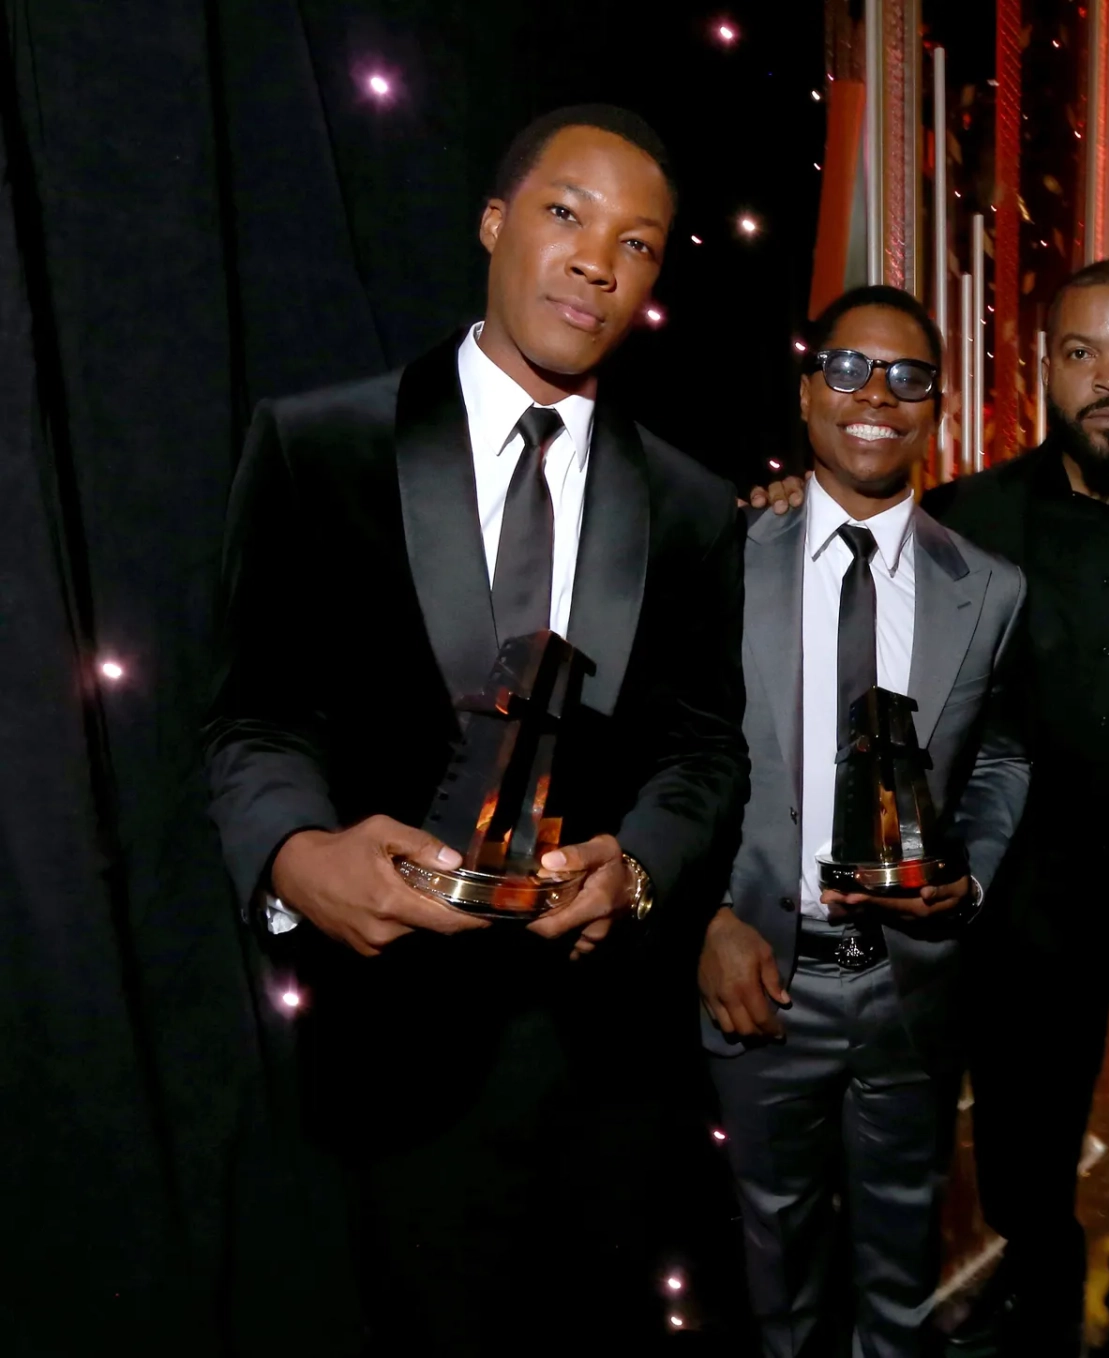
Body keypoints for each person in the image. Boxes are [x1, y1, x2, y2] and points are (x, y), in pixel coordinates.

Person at [203, 105, 749, 1354]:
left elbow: (705, 745)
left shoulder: (688, 502)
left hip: (605, 1060)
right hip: (382, 1053)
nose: (598, 261)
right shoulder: (318, 442)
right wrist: (297, 856)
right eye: (566, 214)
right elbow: (251, 713)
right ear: (495, 223)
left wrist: (645, 868)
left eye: (641, 243)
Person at [753, 260, 1109, 1357]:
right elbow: (857, 543)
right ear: (1046, 370)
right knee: (1028, 1154)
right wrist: (789, 498)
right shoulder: (966, 519)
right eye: (1083, 353)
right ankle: (1041, 1293)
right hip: (1029, 904)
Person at [700, 285, 1029, 1358]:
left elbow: (1008, 753)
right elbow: (669, 754)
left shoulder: (989, 588)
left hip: (909, 988)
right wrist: (702, 915)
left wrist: (969, 876)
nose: (875, 394)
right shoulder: (718, 556)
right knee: (777, 1274)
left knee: (900, 1280)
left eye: (908, 376)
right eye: (847, 369)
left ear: (936, 407)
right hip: (757, 978)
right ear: (806, 394)